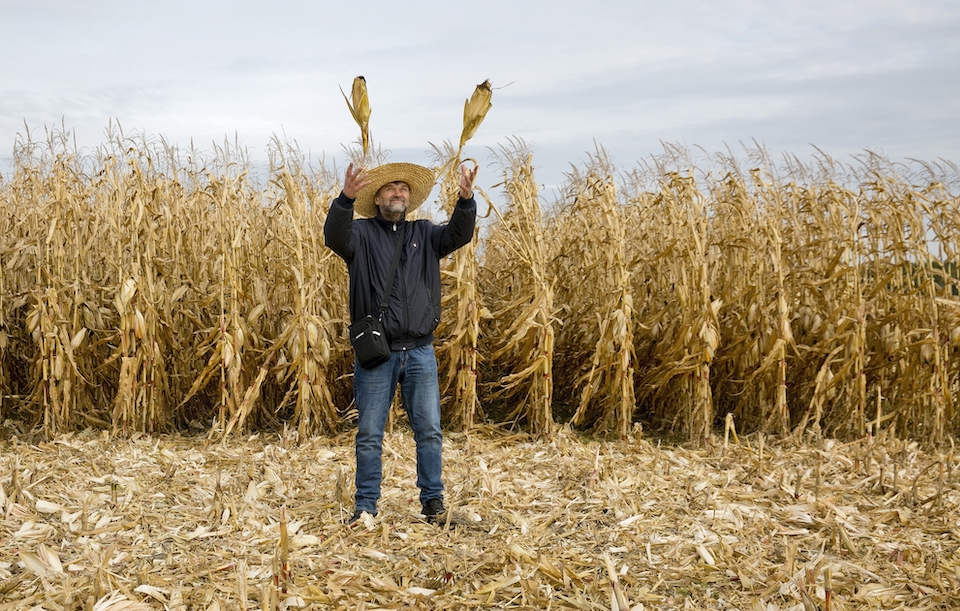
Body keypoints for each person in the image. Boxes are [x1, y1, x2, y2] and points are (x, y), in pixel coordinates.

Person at [324, 160, 478, 524]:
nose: (399, 193)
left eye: (404, 189)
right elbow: (334, 236)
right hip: (378, 354)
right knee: (370, 434)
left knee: (429, 431)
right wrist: (345, 199)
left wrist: (466, 200)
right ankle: (365, 507)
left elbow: (459, 234)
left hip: (421, 350)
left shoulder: (425, 234)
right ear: (376, 198)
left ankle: (433, 503)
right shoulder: (360, 236)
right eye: (391, 188)